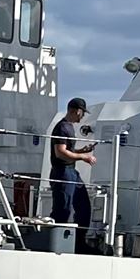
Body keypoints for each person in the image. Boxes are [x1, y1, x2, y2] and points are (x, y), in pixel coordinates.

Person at [50, 98, 96, 232]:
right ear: (77, 111)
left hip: (71, 172)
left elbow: (67, 151)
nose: (82, 116)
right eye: (82, 113)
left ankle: (79, 242)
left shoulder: (67, 127)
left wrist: (82, 151)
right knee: (62, 209)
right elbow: (60, 153)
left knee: (83, 207)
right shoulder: (62, 128)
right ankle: (56, 241)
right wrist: (83, 157)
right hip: (62, 172)